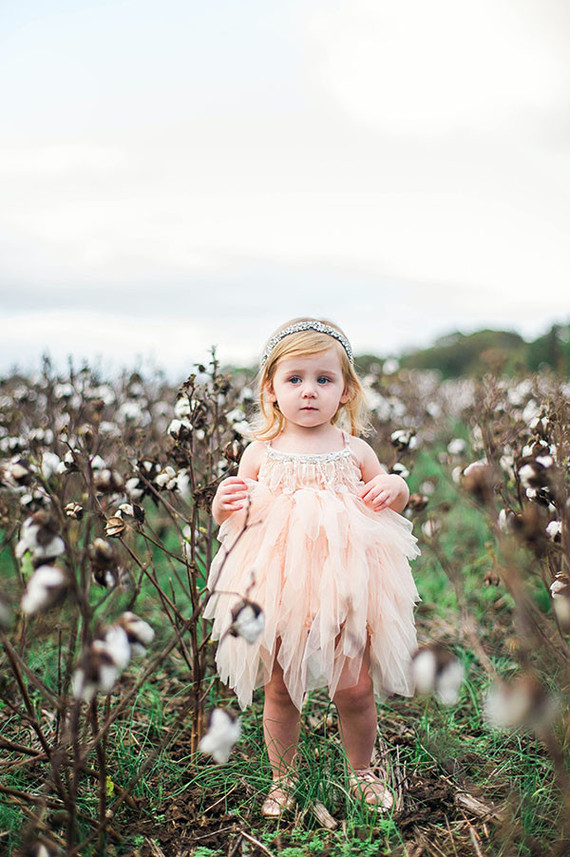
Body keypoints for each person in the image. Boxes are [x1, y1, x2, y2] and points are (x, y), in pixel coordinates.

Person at [204, 318, 420, 816]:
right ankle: (284, 779)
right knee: (282, 687)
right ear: (271, 390)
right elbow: (235, 517)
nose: (309, 391)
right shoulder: (260, 453)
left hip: (347, 582)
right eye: (295, 379)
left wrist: (397, 488)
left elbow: (392, 493)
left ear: (345, 392)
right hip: (280, 586)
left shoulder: (354, 449)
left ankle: (363, 771)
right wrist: (222, 503)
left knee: (355, 687)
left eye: (324, 379)